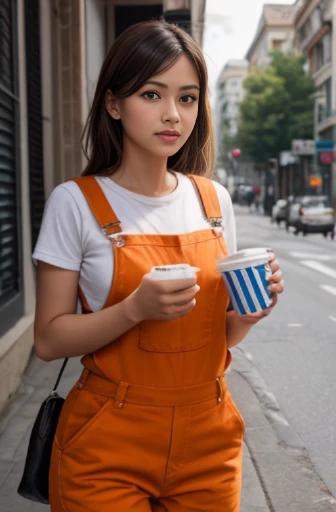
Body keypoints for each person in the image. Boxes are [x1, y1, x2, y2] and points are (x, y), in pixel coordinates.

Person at [33, 20, 283, 512]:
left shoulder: (215, 202)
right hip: (106, 443)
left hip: (208, 442)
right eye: (152, 94)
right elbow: (48, 340)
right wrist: (134, 309)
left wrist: (247, 315)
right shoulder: (75, 202)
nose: (173, 114)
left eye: (187, 98)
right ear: (113, 104)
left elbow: (219, 338)